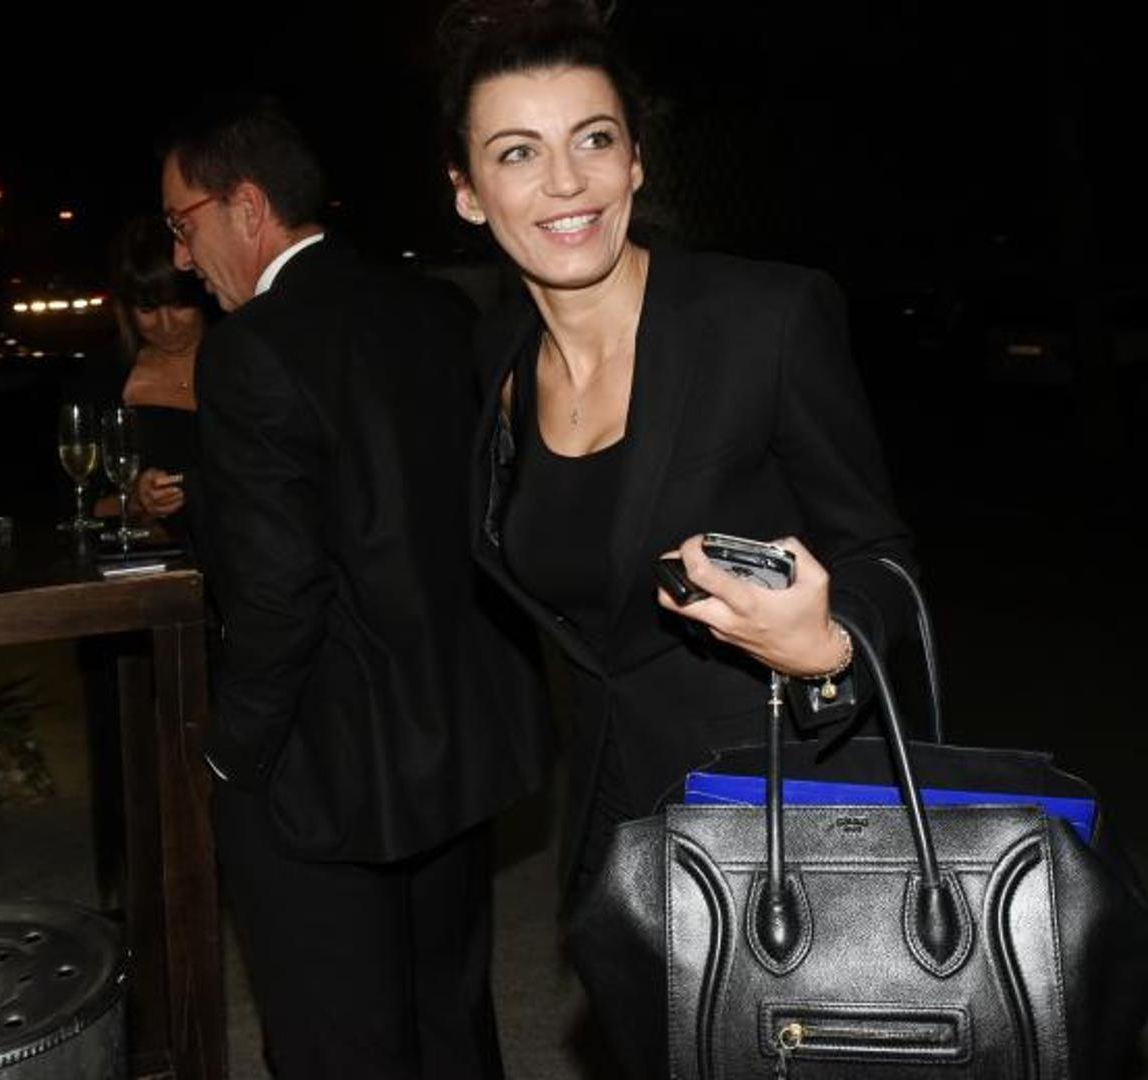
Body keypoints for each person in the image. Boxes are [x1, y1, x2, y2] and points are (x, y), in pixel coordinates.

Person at [437, 0, 918, 1042]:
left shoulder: (762, 318)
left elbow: (880, 554)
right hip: (616, 831)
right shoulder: (498, 360)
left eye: (592, 140)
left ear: (635, 163)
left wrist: (829, 646)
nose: (565, 182)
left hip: (784, 821)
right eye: (517, 153)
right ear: (469, 193)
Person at [161, 95, 550, 1080]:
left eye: (182, 223)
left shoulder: (251, 346)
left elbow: (278, 593)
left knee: (337, 1038)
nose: (179, 256)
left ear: (247, 206)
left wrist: (231, 756)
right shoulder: (437, 308)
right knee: (448, 1015)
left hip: (325, 757)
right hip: (454, 731)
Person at [97, 215, 208, 528]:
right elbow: (83, 505)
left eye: (179, 305)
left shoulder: (245, 363)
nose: (166, 324)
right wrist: (136, 499)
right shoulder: (106, 376)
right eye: (148, 309)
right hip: (156, 554)